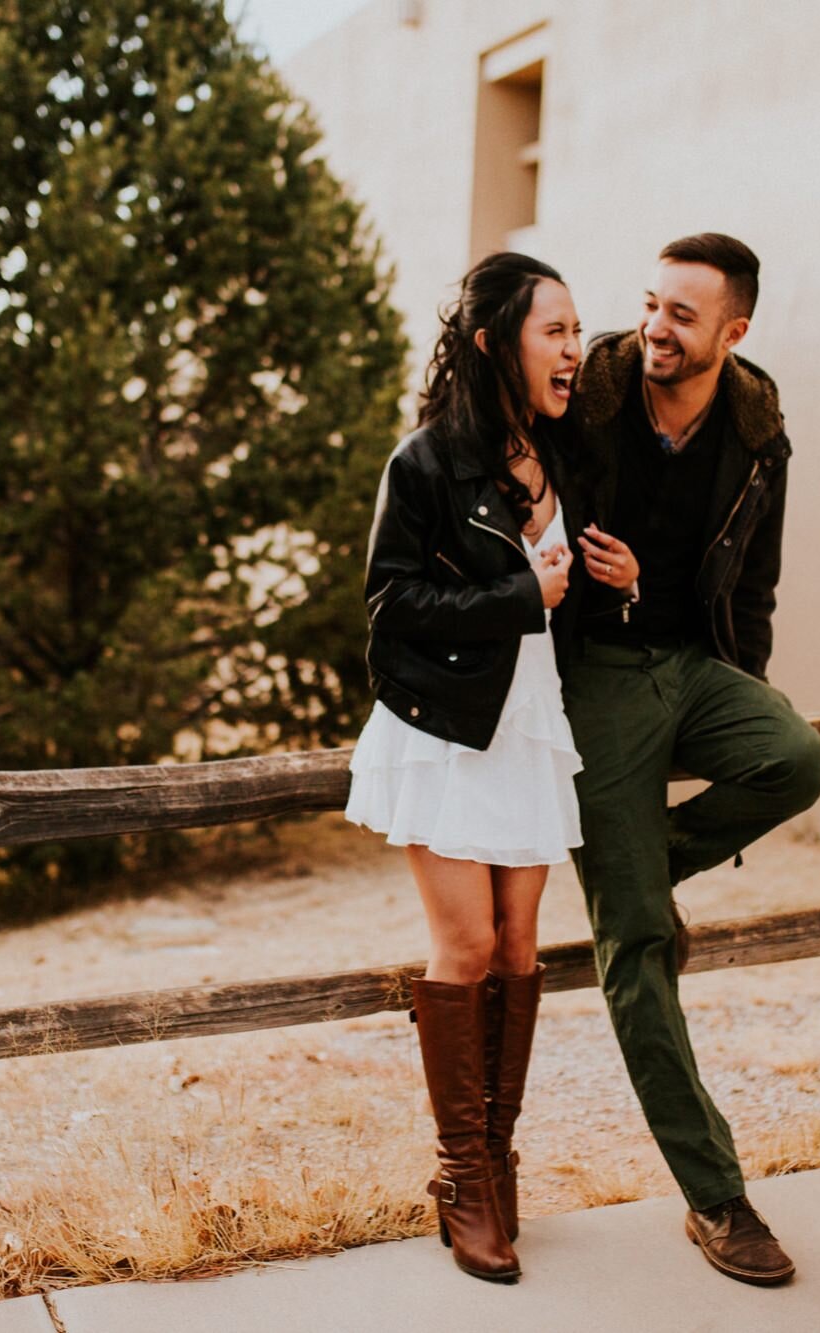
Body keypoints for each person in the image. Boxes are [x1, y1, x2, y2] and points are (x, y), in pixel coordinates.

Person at [558, 232, 820, 1287]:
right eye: (649, 304)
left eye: (680, 314)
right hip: (599, 672)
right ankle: (716, 1198)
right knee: (634, 946)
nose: (653, 328)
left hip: (695, 663)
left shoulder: (758, 435)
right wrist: (600, 586)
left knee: (795, 755)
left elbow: (751, 586)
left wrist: (744, 687)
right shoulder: (588, 397)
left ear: (733, 330)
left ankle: (641, 866)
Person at [345, 251, 591, 1284]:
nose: (574, 351)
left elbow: (558, 597)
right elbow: (388, 607)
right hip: (443, 728)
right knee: (468, 944)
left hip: (527, 722)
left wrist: (597, 588)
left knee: (523, 947)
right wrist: (517, 600)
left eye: (578, 333)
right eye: (555, 332)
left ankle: (494, 1157)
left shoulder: (560, 455)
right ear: (496, 343)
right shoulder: (423, 464)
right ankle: (462, 1176)